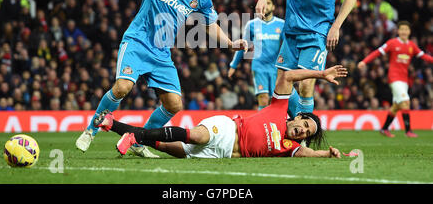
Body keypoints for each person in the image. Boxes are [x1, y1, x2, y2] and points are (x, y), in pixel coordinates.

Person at [76, 0, 247, 156]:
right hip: (137, 41)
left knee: (174, 104)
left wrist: (230, 43)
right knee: (122, 87)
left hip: (161, 52)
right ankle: (91, 129)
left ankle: (137, 141)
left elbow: (210, 25)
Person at [93, 65, 348, 159]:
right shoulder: (279, 109)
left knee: (159, 143)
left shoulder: (291, 147)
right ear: (299, 116)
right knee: (196, 136)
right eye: (305, 124)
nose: (302, 131)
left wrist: (330, 153)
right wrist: (321, 74)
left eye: (306, 133)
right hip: (226, 130)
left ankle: (111, 124)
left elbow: (313, 153)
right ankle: (135, 138)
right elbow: (289, 76)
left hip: (220, 154)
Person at [358, 21, 433, 138]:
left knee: (396, 106)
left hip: (404, 80)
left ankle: (384, 129)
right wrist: (364, 61)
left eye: (406, 29)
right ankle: (408, 131)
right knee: (406, 102)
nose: (404, 31)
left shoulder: (411, 45)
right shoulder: (392, 43)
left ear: (409, 32)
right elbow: (377, 52)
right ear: (398, 31)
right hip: (394, 78)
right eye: (401, 29)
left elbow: (424, 56)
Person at [228, 0, 285, 110]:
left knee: (275, 100)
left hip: (276, 68)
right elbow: (243, 45)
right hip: (259, 66)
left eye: (268, 3)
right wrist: (233, 65)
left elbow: (287, 47)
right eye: (264, 3)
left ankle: (275, 125)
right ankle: (262, 126)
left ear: (273, 7)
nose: (266, 5)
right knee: (263, 98)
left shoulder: (281, 24)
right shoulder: (252, 25)